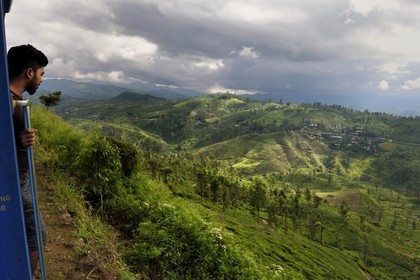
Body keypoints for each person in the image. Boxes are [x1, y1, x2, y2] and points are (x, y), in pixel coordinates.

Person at [7, 44, 48, 274]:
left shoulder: (13, 99)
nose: (42, 80)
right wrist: (17, 142)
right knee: (35, 238)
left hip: (20, 178)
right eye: (41, 73)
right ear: (29, 73)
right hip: (16, 180)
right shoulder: (7, 101)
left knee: (35, 234)